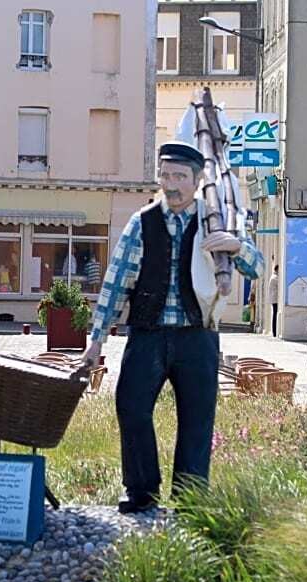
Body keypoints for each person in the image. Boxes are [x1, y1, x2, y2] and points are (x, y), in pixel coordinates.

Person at [83, 141, 241, 514]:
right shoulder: (142, 222)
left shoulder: (215, 220)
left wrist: (235, 246)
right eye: (165, 175)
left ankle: (190, 498)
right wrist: (96, 340)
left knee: (197, 419)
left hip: (197, 336)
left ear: (198, 179)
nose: (171, 184)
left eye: (180, 177)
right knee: (131, 407)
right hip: (148, 333)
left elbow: (254, 265)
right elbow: (116, 281)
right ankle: (141, 491)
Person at [267, 264, 280, 337]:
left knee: (275, 314)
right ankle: (274, 331)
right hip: (275, 299)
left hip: (274, 299)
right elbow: (279, 285)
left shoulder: (273, 277)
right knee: (275, 315)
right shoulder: (275, 277)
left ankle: (275, 331)